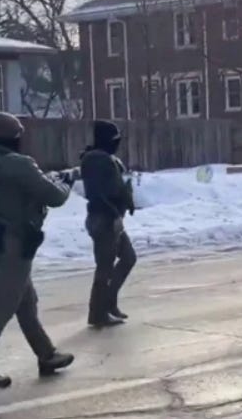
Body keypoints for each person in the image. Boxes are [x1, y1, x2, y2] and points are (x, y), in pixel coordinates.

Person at [0, 112, 75, 389]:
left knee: (26, 301)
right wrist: (66, 181)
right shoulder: (21, 164)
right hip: (14, 241)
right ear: (15, 138)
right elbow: (54, 196)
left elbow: (16, 190)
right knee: (4, 305)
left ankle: (46, 354)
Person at [81, 120, 137, 328]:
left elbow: (116, 187)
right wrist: (114, 215)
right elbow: (99, 194)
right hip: (104, 218)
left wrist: (127, 200)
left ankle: (108, 303)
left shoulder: (106, 159)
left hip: (110, 217)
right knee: (104, 267)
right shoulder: (97, 161)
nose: (117, 143)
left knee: (128, 257)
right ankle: (98, 313)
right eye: (114, 139)